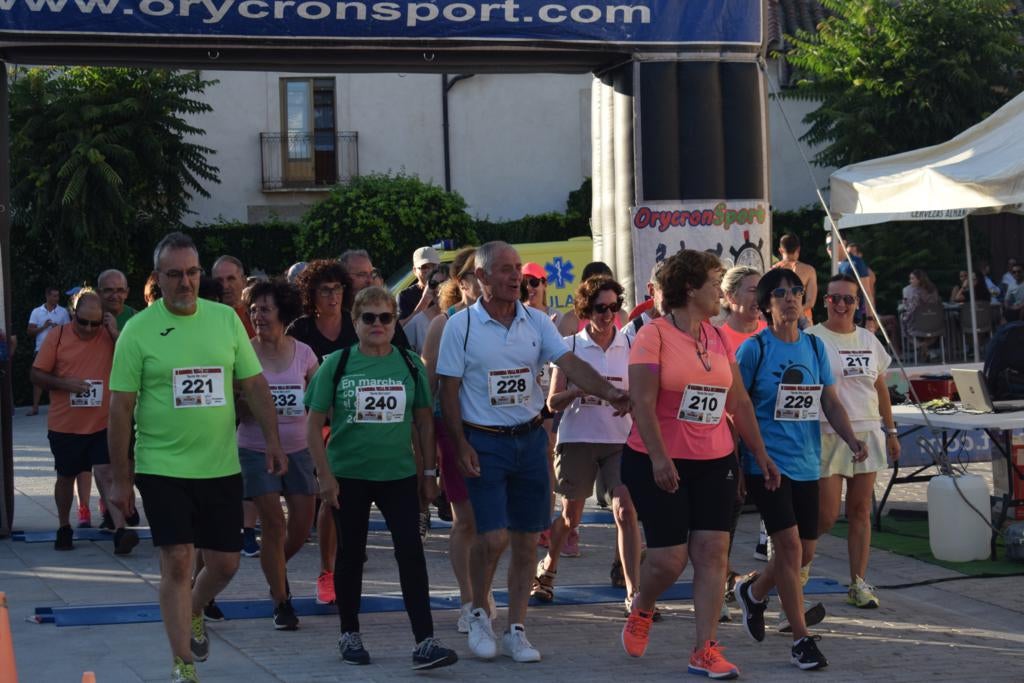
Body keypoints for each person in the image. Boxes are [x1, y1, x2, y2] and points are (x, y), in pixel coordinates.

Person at [107, 231, 287, 683]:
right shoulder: (138, 330)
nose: (185, 282)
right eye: (174, 275)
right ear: (157, 279)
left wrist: (273, 440)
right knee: (178, 560)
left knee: (225, 562)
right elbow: (120, 407)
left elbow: (254, 385)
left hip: (220, 465)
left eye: (191, 273)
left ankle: (195, 607)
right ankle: (183, 662)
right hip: (161, 466)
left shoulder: (226, 320)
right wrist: (121, 478)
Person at [437, 241, 629, 663]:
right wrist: (459, 444)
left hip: (528, 439)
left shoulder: (536, 321)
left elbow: (571, 365)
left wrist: (612, 392)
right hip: (483, 441)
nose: (514, 276)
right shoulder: (461, 326)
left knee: (526, 542)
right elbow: (447, 391)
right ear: (482, 278)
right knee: (492, 536)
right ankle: (477, 613)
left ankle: (516, 629)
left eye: (517, 268)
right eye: (504, 269)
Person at [619, 250, 776, 679]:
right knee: (670, 560)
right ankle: (643, 606)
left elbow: (738, 401)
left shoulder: (719, 336)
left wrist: (760, 454)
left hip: (714, 458)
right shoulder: (653, 335)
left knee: (712, 553)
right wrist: (658, 457)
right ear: (690, 289)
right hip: (657, 459)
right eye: (714, 281)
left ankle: (704, 649)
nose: (720, 290)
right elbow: (642, 403)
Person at [305, 286, 458, 670]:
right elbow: (311, 427)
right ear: (354, 322)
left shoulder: (410, 364)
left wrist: (428, 473)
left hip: (399, 475)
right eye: (368, 318)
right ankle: (349, 632)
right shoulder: (336, 364)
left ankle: (425, 640)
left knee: (410, 551)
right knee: (351, 553)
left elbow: (423, 423)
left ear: (394, 322)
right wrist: (324, 476)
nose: (377, 325)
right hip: (349, 475)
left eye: (385, 318)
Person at [733, 267, 867, 672]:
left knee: (804, 550)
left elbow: (829, 402)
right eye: (780, 293)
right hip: (767, 464)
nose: (790, 298)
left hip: (808, 462)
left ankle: (753, 592)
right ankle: (800, 640)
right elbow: (736, 408)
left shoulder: (813, 348)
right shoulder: (754, 349)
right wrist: (746, 461)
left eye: (796, 291)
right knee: (789, 549)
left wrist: (851, 438)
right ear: (766, 304)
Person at [533, 276, 640, 614]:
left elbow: (642, 394)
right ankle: (548, 567)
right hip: (578, 439)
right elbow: (552, 403)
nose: (608, 314)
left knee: (626, 510)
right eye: (600, 308)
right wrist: (581, 389)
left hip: (619, 442)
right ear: (586, 309)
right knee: (570, 516)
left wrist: (630, 401)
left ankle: (635, 593)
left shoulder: (631, 345)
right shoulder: (570, 347)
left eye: (613, 307)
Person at [808, 274, 900, 609]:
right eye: (835, 298)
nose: (842, 305)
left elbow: (880, 389)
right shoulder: (811, 337)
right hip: (828, 433)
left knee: (861, 511)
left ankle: (858, 583)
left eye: (849, 299)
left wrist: (890, 432)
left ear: (858, 304)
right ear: (825, 301)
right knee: (826, 515)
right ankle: (797, 564)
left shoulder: (869, 339)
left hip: (868, 431)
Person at [30, 289, 140, 555]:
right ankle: (64, 526)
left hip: (102, 422)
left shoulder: (109, 336)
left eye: (95, 322)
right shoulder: (57, 337)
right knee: (66, 477)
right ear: (72, 315)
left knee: (105, 472)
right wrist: (64, 384)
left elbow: (134, 362)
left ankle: (120, 530)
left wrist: (114, 333)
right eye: (83, 322)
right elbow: (35, 374)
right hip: (65, 425)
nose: (89, 329)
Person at [237, 279, 320, 630]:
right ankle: (281, 601)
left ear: (282, 313)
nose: (258, 316)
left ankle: (274, 566)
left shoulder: (304, 353)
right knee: (274, 523)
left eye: (265, 309)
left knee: (301, 527)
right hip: (255, 449)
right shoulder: (242, 352)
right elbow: (235, 406)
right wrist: (253, 404)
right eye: (253, 309)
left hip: (299, 449)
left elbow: (318, 401)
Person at [420, 248, 491, 632]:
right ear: (461, 282)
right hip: (453, 430)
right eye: (477, 276)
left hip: (495, 432)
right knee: (466, 521)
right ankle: (468, 601)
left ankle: (483, 592)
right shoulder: (443, 324)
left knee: (494, 523)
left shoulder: (504, 321)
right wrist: (426, 460)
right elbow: (427, 393)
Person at [285, 259, 354, 607]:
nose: (332, 296)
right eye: (324, 290)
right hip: (316, 424)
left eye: (337, 289)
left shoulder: (360, 325)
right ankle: (327, 572)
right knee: (331, 498)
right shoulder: (300, 329)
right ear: (311, 295)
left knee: (347, 503)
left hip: (358, 423)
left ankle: (347, 563)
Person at [27, 286, 72, 415]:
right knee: (38, 379)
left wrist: (59, 328)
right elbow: (30, 332)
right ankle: (35, 407)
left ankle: (62, 406)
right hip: (41, 349)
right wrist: (44, 327)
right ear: (47, 296)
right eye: (54, 296)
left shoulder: (63, 312)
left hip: (59, 349)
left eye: (57, 296)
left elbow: (69, 331)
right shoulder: (36, 312)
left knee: (60, 377)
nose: (56, 298)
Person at [772, 234, 818, 325]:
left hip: (781, 317)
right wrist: (797, 310)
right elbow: (810, 302)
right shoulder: (809, 270)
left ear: (781, 250)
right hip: (803, 317)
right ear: (798, 249)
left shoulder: (774, 270)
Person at [404, 269, 449, 354]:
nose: (437, 289)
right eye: (433, 284)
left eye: (443, 283)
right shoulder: (417, 323)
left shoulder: (464, 313)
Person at [212, 255, 257, 338]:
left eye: (231, 279)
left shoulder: (258, 316)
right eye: (219, 280)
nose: (225, 286)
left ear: (243, 281)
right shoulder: (209, 320)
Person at [398, 246, 441, 324]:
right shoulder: (405, 296)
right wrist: (424, 302)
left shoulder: (448, 289)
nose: (430, 270)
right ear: (415, 270)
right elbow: (401, 330)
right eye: (424, 267)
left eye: (434, 266)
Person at [624, 261, 666, 341]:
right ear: (651, 290)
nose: (676, 297)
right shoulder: (630, 334)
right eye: (668, 291)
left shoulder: (690, 328)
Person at [97, 269, 136, 337]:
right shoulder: (87, 319)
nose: (114, 296)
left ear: (126, 293)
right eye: (108, 290)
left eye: (120, 290)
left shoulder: (137, 319)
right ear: (98, 293)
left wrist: (115, 332)